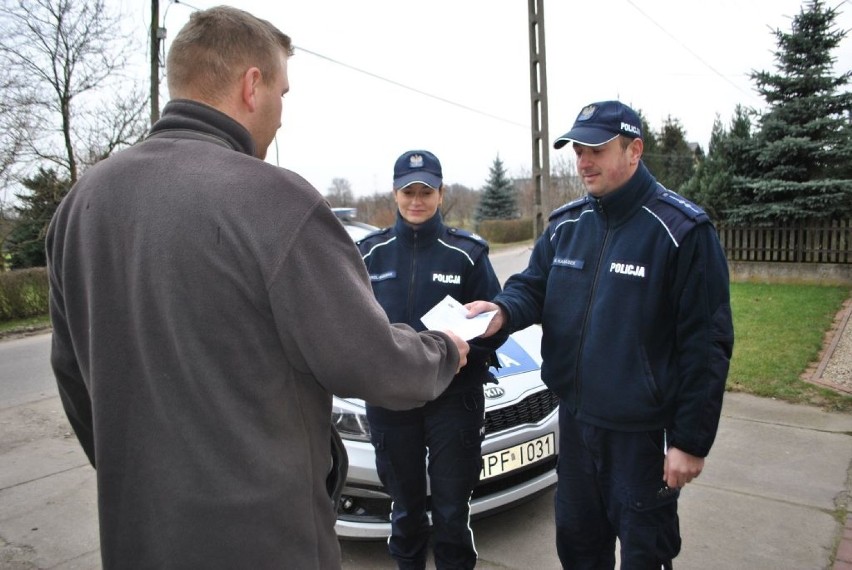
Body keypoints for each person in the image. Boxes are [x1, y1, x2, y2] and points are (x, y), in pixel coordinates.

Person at [45, 7, 469, 570]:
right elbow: (370, 361)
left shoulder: (80, 205)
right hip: (267, 539)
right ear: (252, 85)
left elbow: (74, 378)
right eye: (283, 93)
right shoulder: (274, 201)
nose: (281, 117)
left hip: (140, 534)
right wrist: (444, 349)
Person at [466, 100, 734, 569]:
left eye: (595, 149)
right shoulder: (567, 225)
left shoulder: (681, 231)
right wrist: (503, 310)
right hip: (575, 425)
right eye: (577, 150)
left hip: (640, 439)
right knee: (578, 549)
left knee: (644, 556)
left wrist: (690, 441)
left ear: (634, 150)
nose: (583, 161)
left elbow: (706, 345)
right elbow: (533, 287)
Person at [356, 150, 508, 569]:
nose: (417, 200)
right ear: (395, 194)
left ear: (441, 194)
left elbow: (495, 328)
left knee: (451, 516)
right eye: (409, 191)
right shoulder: (370, 254)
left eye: (426, 191)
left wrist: (464, 355)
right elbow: (353, 328)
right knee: (405, 515)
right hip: (393, 404)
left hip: (452, 401)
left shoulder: (466, 254)